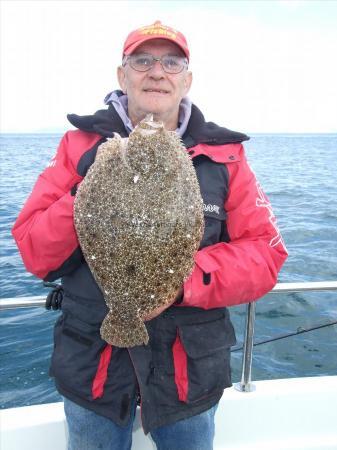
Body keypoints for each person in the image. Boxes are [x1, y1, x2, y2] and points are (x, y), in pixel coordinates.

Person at [12, 20, 288, 450]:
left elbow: (267, 256)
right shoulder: (79, 146)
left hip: (188, 375)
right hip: (93, 369)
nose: (157, 71)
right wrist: (87, 189)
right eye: (142, 60)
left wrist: (181, 283)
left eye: (171, 61)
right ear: (122, 75)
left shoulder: (226, 157)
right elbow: (34, 253)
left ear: (187, 78)